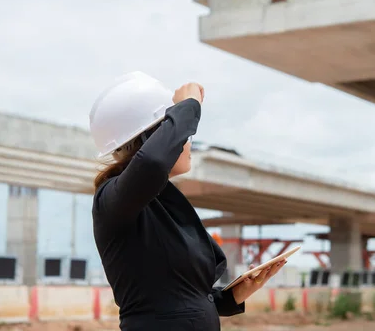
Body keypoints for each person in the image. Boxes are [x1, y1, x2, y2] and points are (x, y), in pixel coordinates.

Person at [88, 71, 286, 331]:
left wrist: (234, 295)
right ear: (150, 139)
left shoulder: (162, 202)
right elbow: (153, 162)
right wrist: (188, 106)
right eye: (184, 136)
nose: (189, 143)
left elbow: (177, 302)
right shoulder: (112, 201)